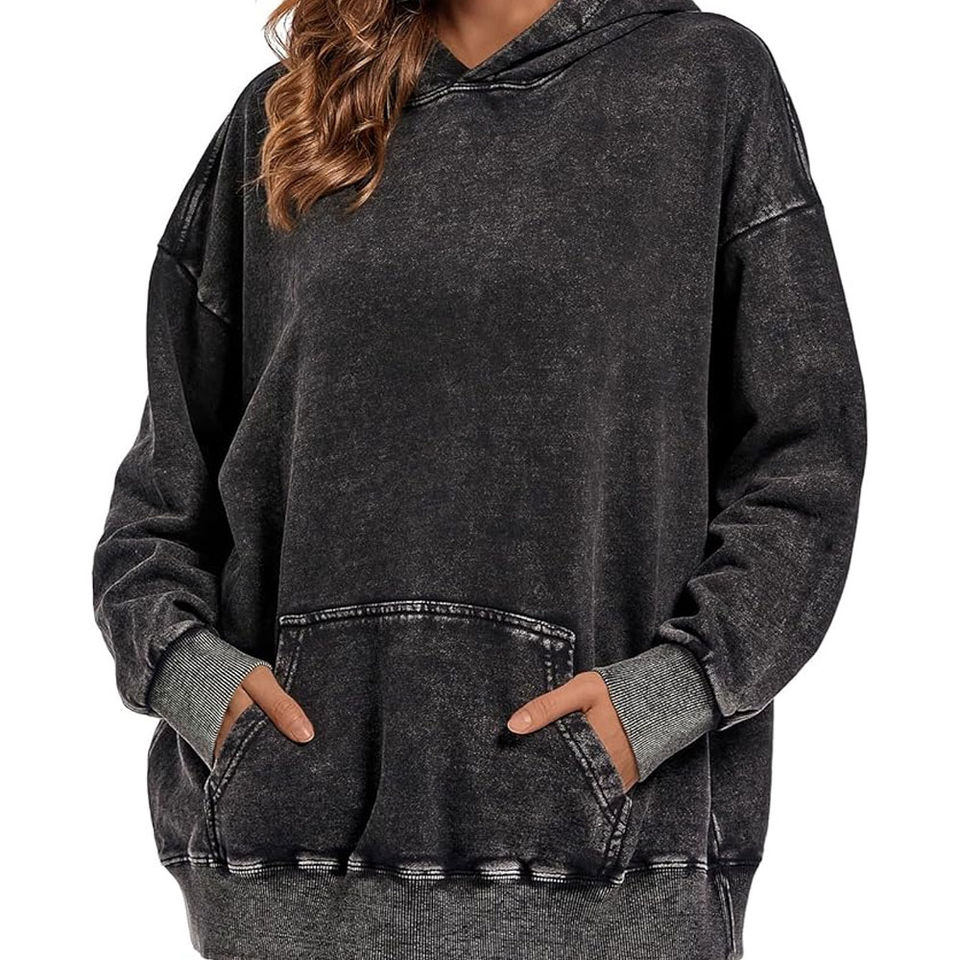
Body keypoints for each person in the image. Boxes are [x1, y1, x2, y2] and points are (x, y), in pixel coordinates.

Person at [91, 1, 867, 957]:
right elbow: (158, 504)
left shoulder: (705, 84)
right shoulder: (286, 115)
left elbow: (804, 462)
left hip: (611, 880)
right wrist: (194, 679)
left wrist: (668, 696)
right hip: (287, 880)